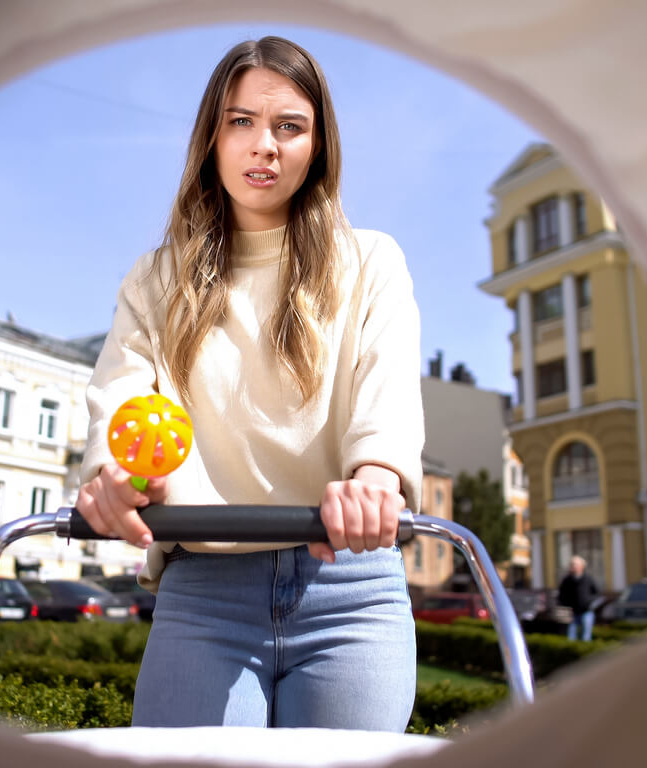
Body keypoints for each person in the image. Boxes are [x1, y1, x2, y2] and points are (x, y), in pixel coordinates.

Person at [74, 36, 424, 731]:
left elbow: (385, 390)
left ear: (317, 147)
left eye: (288, 126)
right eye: (241, 122)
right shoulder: (155, 279)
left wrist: (378, 477)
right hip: (204, 588)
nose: (263, 145)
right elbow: (121, 402)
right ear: (211, 137)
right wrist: (114, 477)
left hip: (348, 586)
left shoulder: (371, 262)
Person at [558, 555, 599, 642]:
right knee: (571, 637)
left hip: (586, 611)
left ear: (581, 566)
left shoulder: (588, 579)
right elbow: (561, 595)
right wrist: (565, 605)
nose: (573, 567)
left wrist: (590, 603)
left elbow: (596, 593)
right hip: (572, 613)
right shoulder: (567, 580)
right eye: (571, 565)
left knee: (586, 637)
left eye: (575, 565)